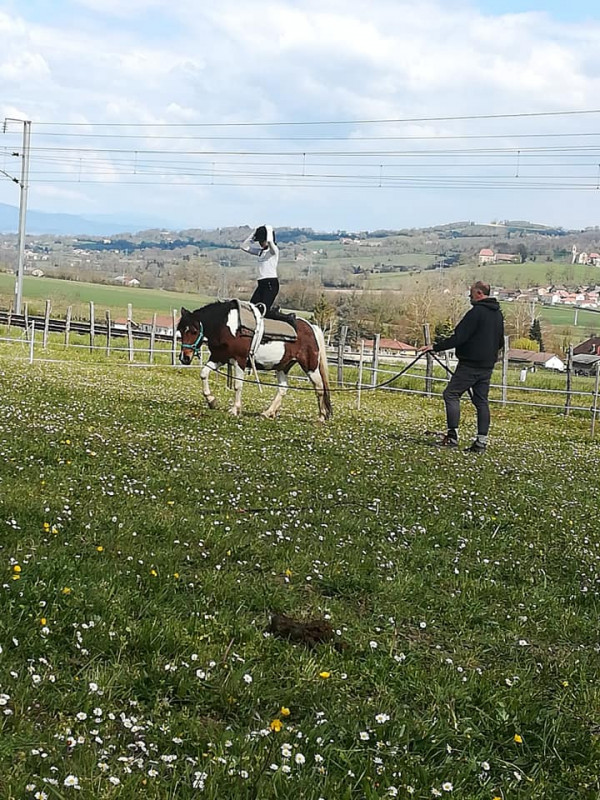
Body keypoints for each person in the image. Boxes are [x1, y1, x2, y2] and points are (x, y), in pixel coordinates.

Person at [419, 281, 504, 453]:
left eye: (471, 293)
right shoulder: (497, 314)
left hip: (470, 364)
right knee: (481, 401)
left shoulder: (476, 313)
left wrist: (435, 347)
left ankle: (452, 437)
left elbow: (459, 337)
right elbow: (500, 341)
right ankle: (481, 442)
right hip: (487, 365)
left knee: (451, 394)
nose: (469, 296)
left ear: (479, 293)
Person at [240, 224, 295, 327]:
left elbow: (270, 242)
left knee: (265, 311)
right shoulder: (261, 252)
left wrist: (269, 230)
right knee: (252, 308)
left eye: (262, 241)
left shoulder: (274, 251)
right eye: (260, 241)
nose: (261, 243)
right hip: (261, 284)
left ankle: (287, 317)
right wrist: (254, 234)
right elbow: (243, 247)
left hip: (271, 284)